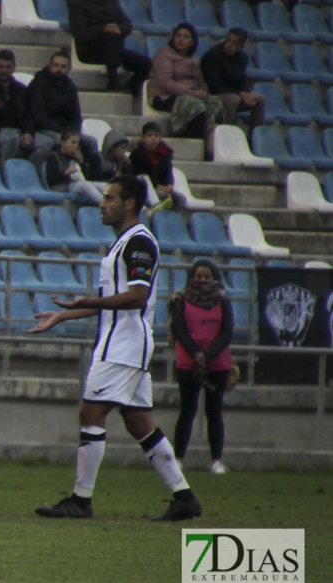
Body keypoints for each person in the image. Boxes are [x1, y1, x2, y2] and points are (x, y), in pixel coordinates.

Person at [28, 174, 202, 522]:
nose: (101, 204)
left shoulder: (139, 243)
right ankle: (184, 497)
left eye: (109, 198)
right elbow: (114, 299)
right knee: (139, 422)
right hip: (125, 345)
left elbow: (136, 297)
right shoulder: (124, 243)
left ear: (129, 204)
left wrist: (89, 300)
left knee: (90, 414)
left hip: (123, 345)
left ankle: (81, 499)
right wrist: (65, 316)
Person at [169, 259, 233, 475]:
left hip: (217, 364)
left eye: (207, 277)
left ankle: (216, 460)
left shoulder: (222, 299)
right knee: (187, 410)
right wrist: (196, 353)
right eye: (199, 276)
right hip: (188, 363)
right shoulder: (181, 299)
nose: (202, 280)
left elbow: (227, 331)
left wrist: (208, 354)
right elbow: (179, 327)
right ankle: (178, 459)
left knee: (214, 411)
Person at [147, 23, 223, 145]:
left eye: (186, 37)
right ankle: (189, 140)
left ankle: (207, 139)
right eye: (178, 36)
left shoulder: (194, 58)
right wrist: (191, 93)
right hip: (163, 96)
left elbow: (200, 81)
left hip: (189, 95)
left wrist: (203, 91)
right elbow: (165, 82)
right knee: (195, 105)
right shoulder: (164, 54)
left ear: (192, 42)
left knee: (215, 103)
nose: (181, 39)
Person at [27, 52, 97, 170]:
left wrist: (75, 133)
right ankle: (54, 175)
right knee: (59, 141)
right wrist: (63, 132)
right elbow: (38, 115)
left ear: (69, 69)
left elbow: (76, 116)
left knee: (91, 142)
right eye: (56, 65)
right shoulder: (38, 84)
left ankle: (91, 176)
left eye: (63, 67)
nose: (59, 69)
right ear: (49, 66)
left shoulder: (70, 86)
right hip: (44, 129)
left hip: (67, 131)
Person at [67, 0, 150, 94]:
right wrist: (104, 29)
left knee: (147, 65)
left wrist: (119, 29)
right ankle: (113, 80)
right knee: (112, 37)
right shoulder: (78, 4)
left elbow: (127, 23)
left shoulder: (112, 2)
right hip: (89, 50)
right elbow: (80, 34)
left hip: (115, 49)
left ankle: (129, 89)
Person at [200, 27, 265, 128]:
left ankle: (255, 137)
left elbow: (241, 80)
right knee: (233, 99)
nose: (229, 45)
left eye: (234, 43)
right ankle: (225, 131)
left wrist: (246, 93)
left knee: (259, 99)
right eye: (228, 40)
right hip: (213, 94)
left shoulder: (243, 58)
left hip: (233, 93)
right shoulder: (213, 55)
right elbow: (214, 86)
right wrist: (240, 94)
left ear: (241, 46)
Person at [129, 121, 184, 212]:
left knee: (180, 199)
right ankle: (155, 214)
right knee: (161, 195)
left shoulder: (165, 154)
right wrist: (160, 187)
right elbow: (140, 175)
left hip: (164, 188)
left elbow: (168, 173)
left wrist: (169, 185)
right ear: (143, 138)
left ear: (160, 138)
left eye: (156, 135)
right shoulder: (137, 154)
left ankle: (171, 221)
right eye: (149, 135)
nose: (153, 138)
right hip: (146, 187)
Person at [45, 129, 104, 204]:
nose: (76, 146)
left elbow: (85, 177)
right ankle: (105, 204)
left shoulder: (74, 157)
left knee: (102, 185)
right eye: (73, 143)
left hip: (75, 184)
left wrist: (81, 161)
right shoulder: (54, 157)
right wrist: (65, 173)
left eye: (77, 143)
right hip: (63, 186)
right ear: (63, 143)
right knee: (85, 185)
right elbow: (50, 180)